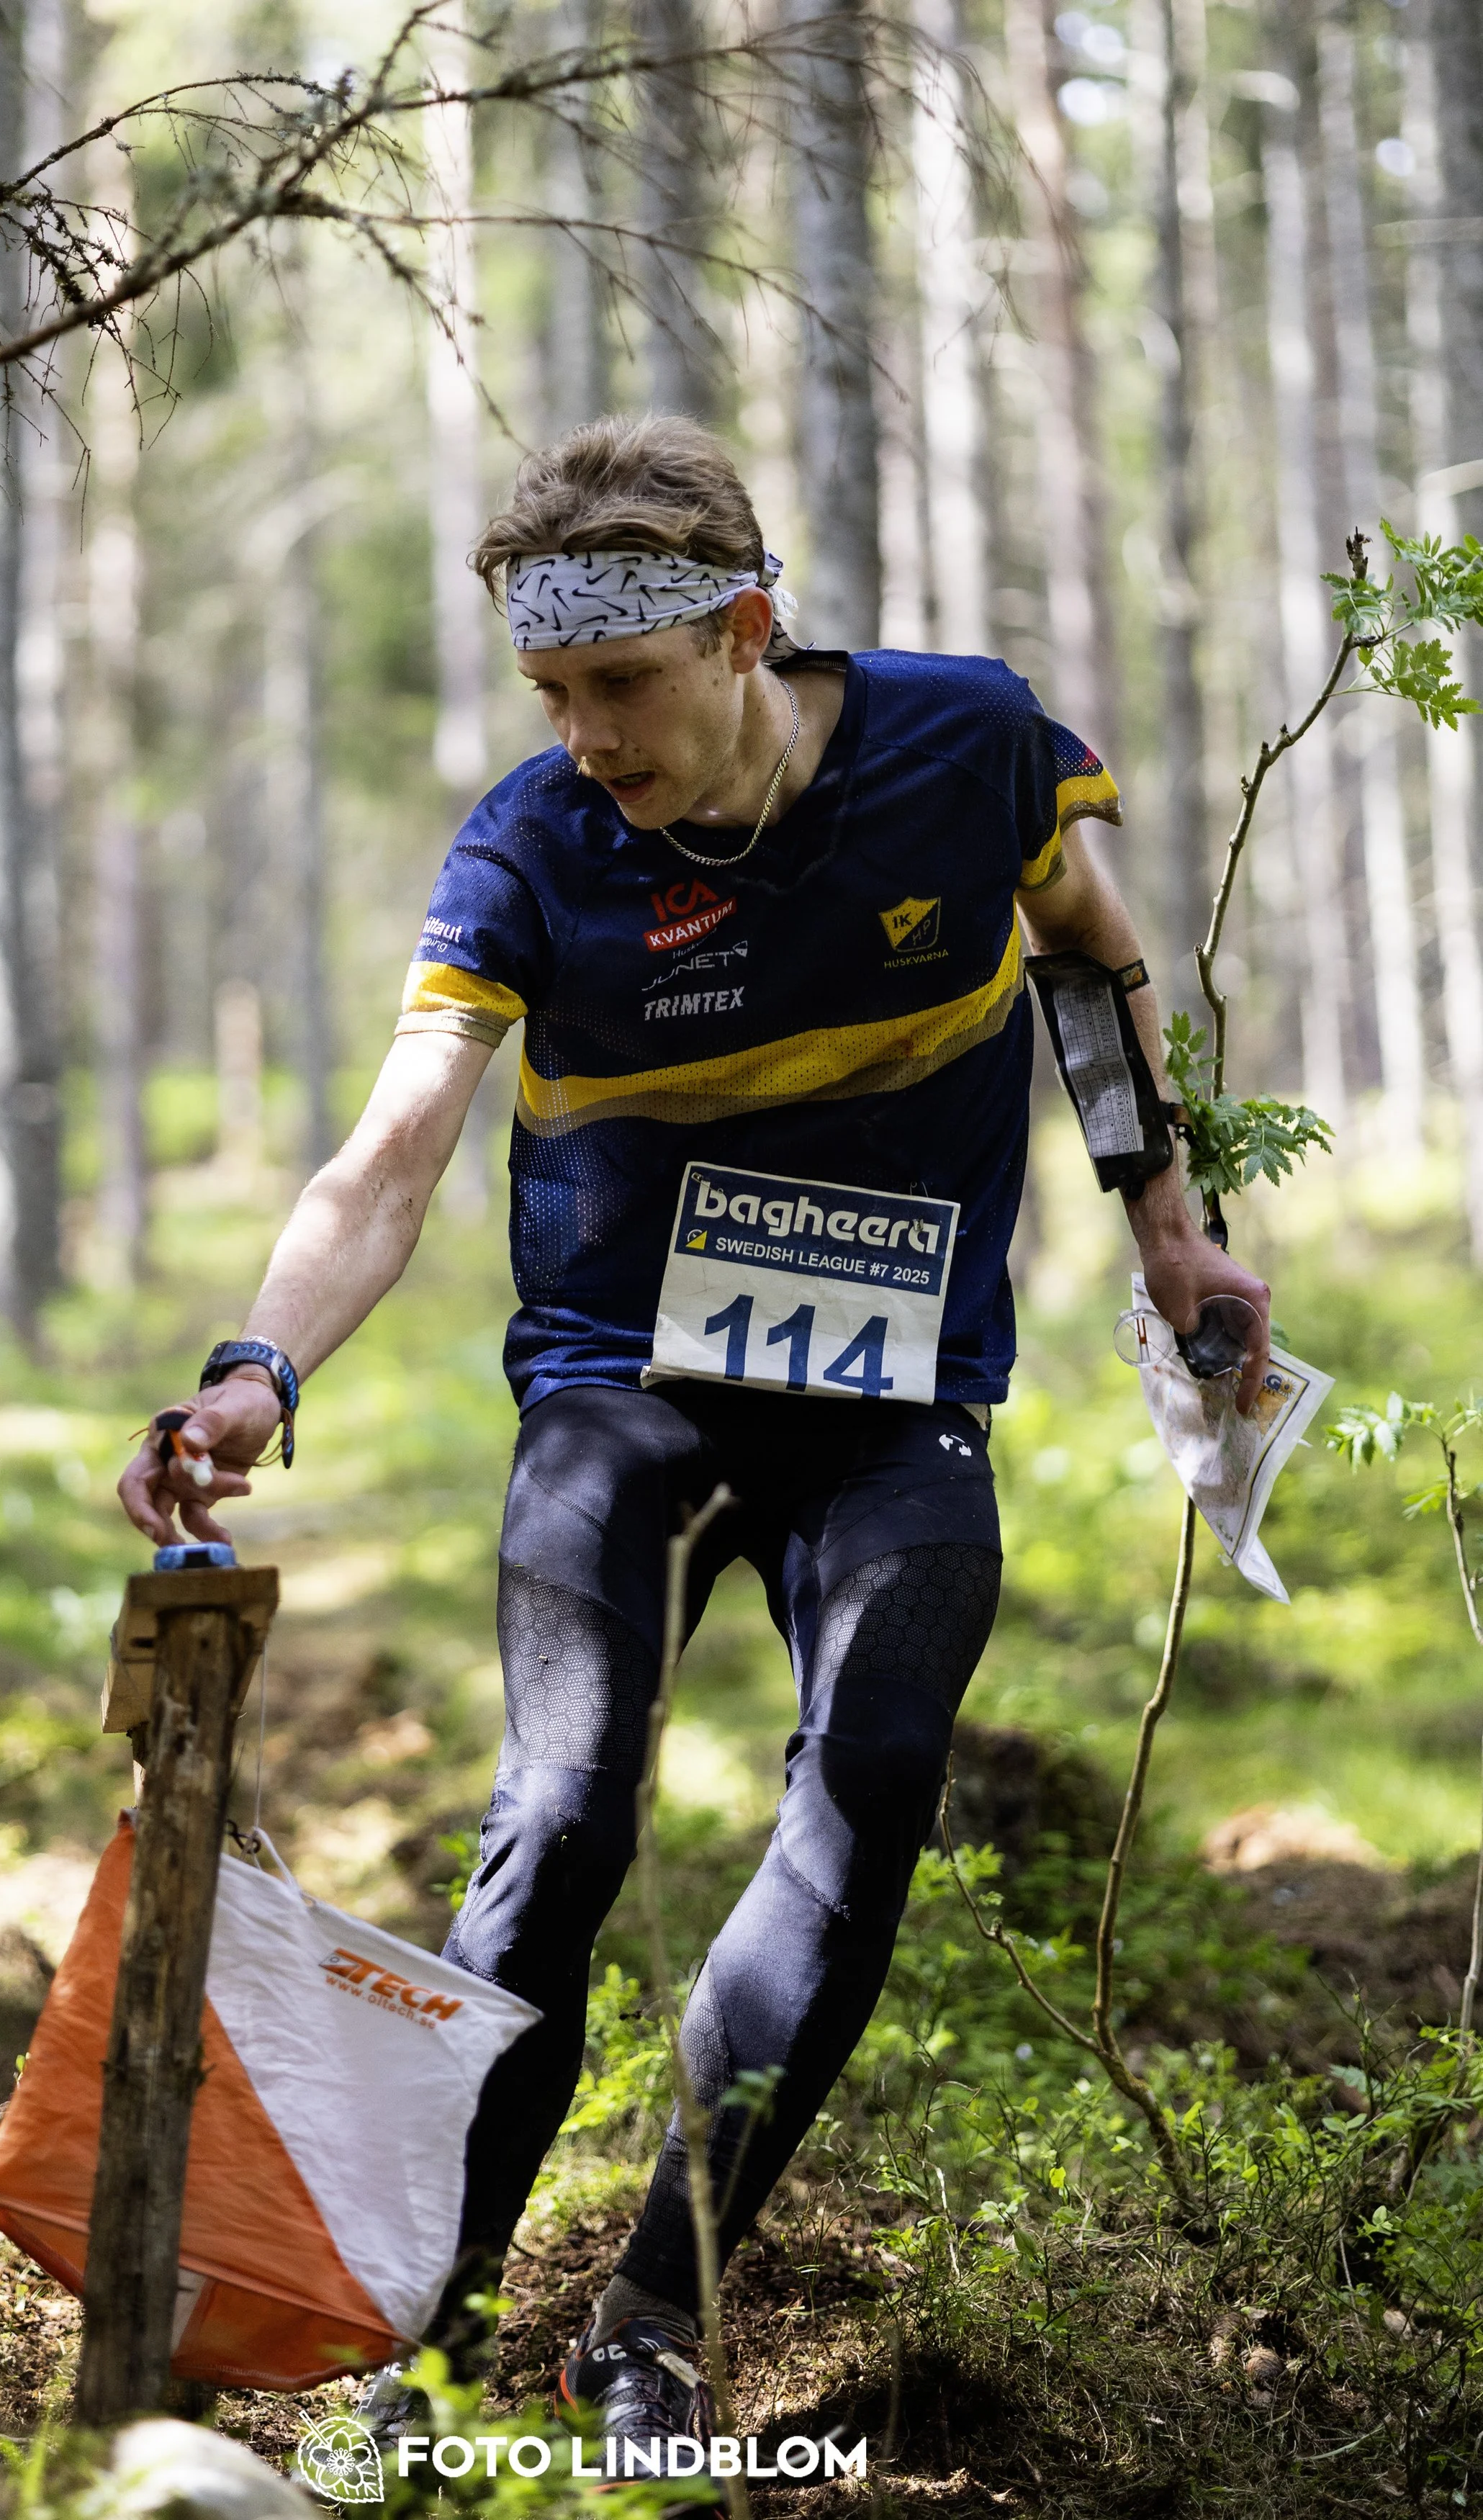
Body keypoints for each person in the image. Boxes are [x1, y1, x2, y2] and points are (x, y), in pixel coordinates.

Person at [118, 415, 1269, 2460]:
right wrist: (253, 1370)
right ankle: (435, 2340)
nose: (577, 736)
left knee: (884, 1768)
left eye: (615, 688)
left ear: (743, 633)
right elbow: (390, 1157)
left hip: (894, 1393)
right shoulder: (529, 847)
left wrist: (1170, 1229)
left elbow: (1092, 965)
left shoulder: (971, 747)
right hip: (620, 1387)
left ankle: (649, 2317)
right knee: (559, 1815)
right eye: (548, 695)